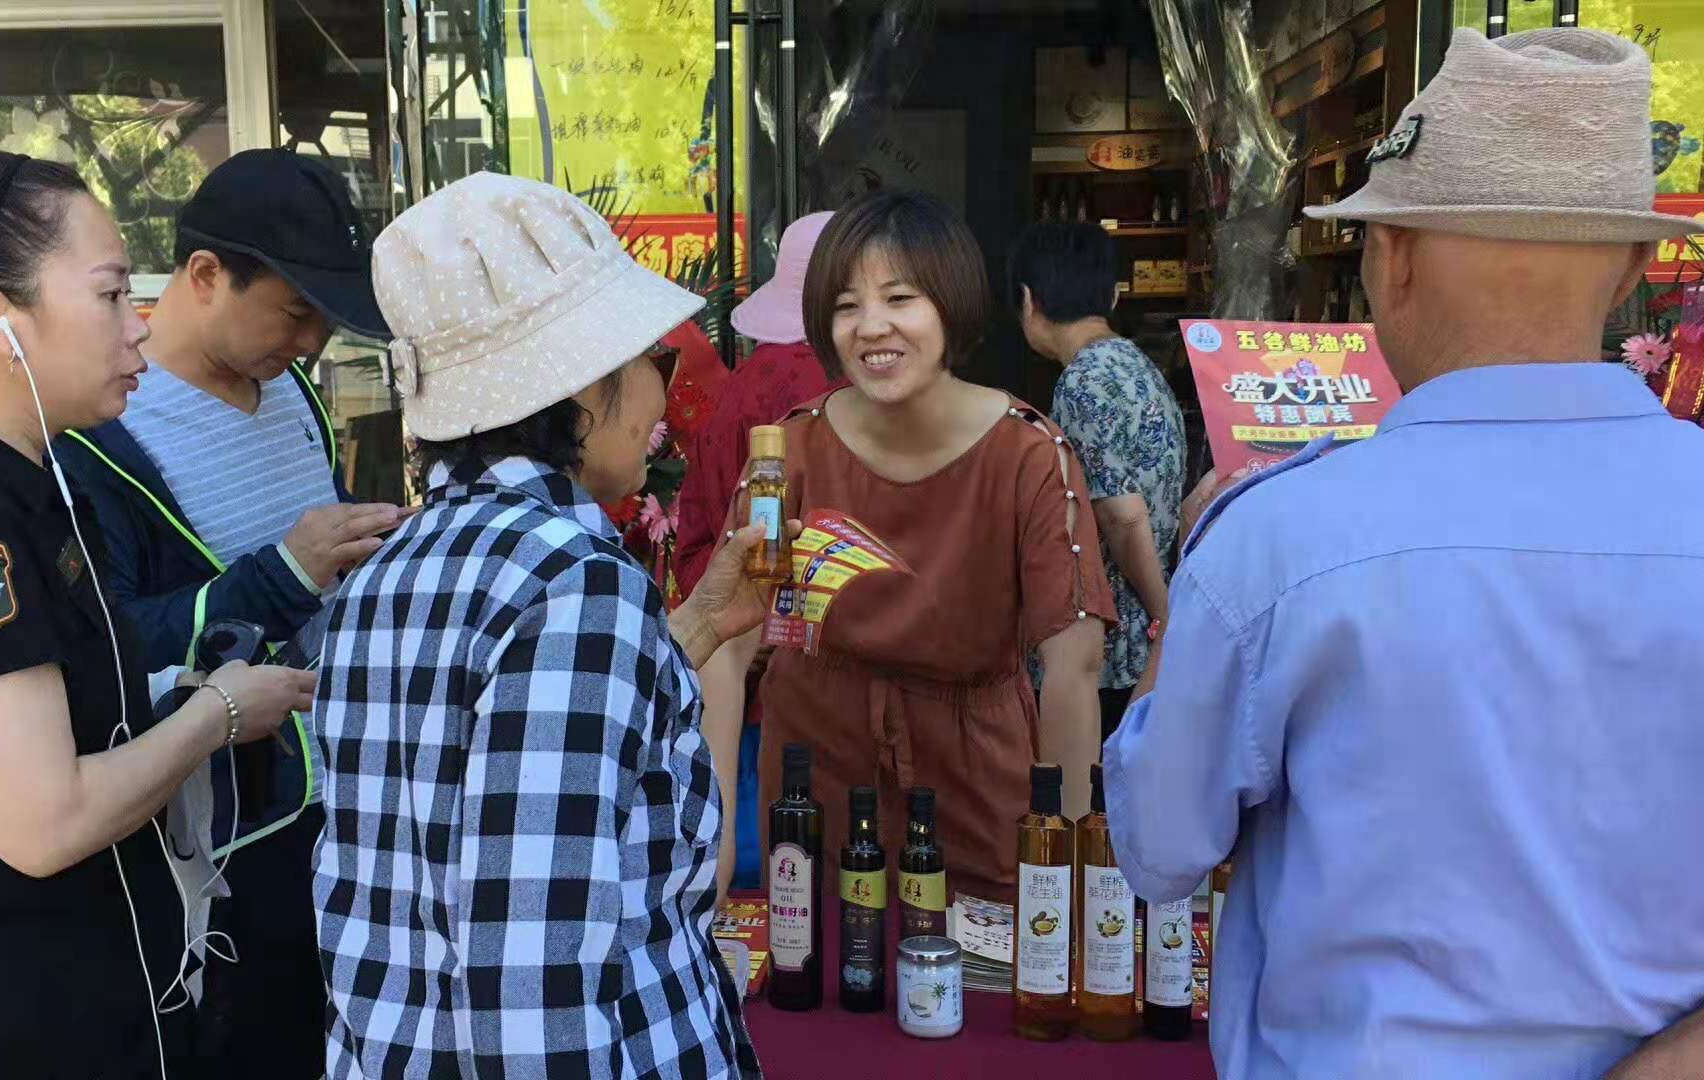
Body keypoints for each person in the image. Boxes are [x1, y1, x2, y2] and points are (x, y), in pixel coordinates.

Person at [1105, 28, 1704, 1080]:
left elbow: (1157, 847)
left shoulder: (1282, 537)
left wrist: (1191, 583)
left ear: (1393, 256)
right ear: (1634, 272)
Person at [0, 123, 314, 1078]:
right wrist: (221, 713)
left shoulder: (29, 477)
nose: (139, 322)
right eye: (107, 294)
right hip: (19, 1026)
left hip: (110, 999)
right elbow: (45, 820)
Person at [313, 172, 764, 1078]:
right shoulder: (575, 587)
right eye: (653, 361)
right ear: (581, 384)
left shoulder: (387, 574)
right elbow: (533, 987)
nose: (662, 400)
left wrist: (701, 625)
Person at [55, 149, 408, 1078]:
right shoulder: (101, 435)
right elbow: (111, 649)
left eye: (327, 324)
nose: (312, 345)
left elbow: (318, 567)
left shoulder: (294, 394)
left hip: (337, 808)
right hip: (221, 850)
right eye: (296, 314)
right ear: (206, 277)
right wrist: (286, 572)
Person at [716, 191, 1114, 903]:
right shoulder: (791, 450)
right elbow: (726, 643)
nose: (871, 327)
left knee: (981, 993)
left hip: (976, 785)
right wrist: (712, 852)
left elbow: (1074, 670)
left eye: (899, 298)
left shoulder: (1029, 455)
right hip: (817, 774)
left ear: (950, 303)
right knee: (822, 986)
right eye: (845, 306)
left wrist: (1069, 875)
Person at [677, 210, 841, 896]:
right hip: (848, 680)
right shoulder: (871, 398)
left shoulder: (745, 388)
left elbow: (703, 526)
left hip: (744, 659)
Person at [1011, 221, 1185, 739]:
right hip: (1137, 639)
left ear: (1027, 302)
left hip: (1118, 647)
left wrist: (1164, 615)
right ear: (1111, 294)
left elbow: (1120, 512)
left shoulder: (1083, 380)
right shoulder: (1137, 365)